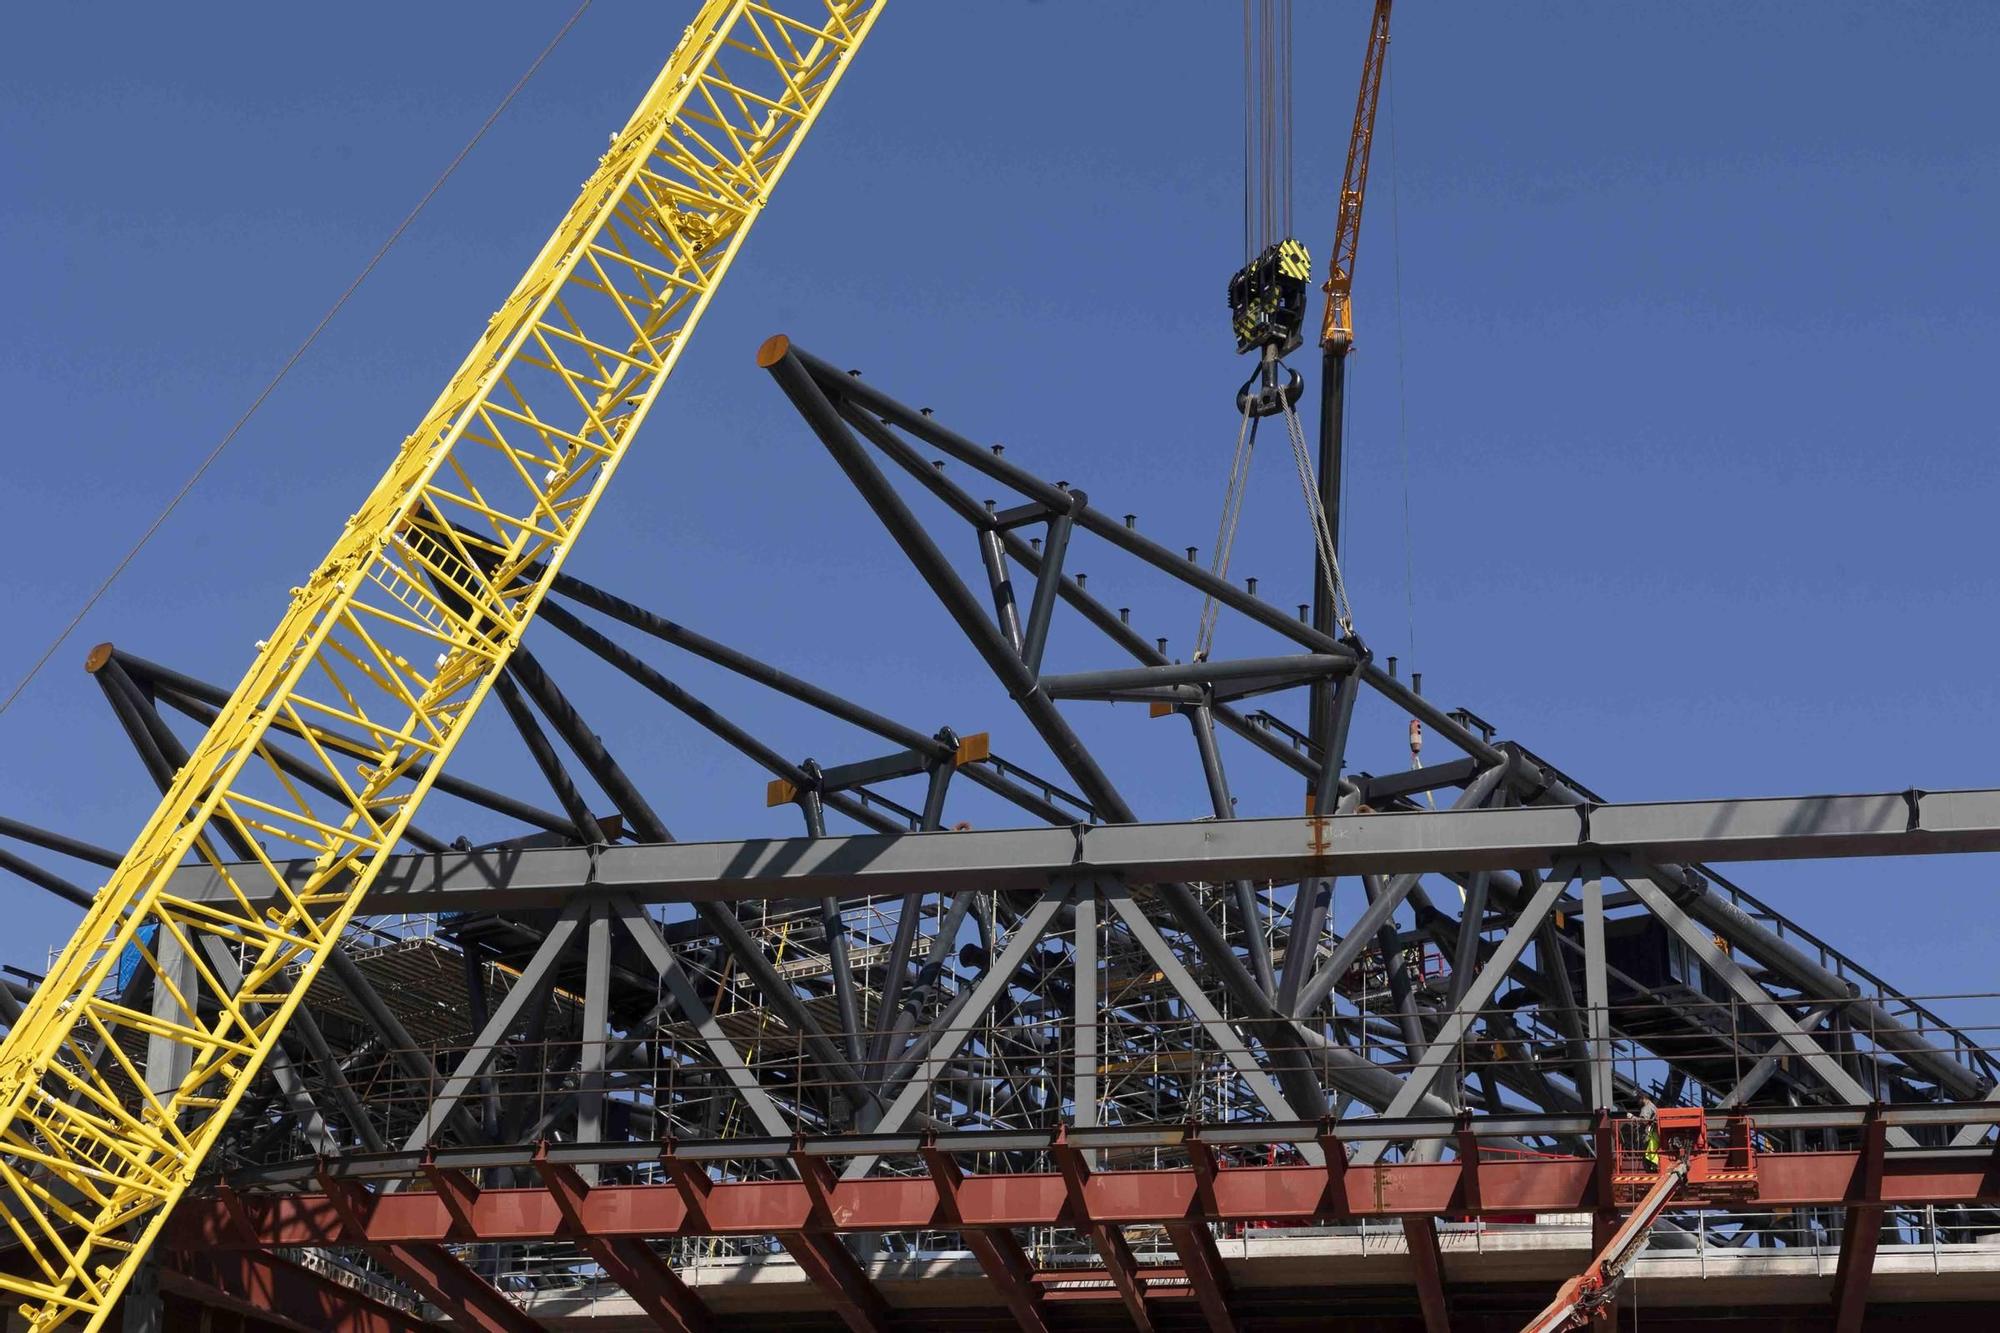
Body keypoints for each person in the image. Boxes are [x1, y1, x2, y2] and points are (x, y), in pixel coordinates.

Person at [1637, 1094, 1660, 1171]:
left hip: (1649, 1134)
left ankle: (1650, 1169)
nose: (1638, 1101)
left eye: (1639, 1099)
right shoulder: (1653, 1106)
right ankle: (1653, 1167)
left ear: (1644, 1098)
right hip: (1655, 1134)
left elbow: (1644, 1121)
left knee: (1646, 1153)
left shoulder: (1646, 1108)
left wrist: (1632, 1117)